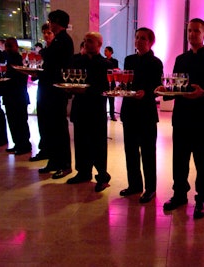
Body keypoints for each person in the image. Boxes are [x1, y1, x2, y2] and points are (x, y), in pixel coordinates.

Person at [155, 18, 204, 219]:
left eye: (196, 31)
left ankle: (202, 198)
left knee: (201, 160)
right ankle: (179, 194)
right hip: (181, 116)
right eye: (189, 31)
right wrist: (165, 91)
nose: (192, 34)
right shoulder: (181, 59)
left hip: (201, 116)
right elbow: (177, 87)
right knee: (179, 158)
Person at [119, 28, 163, 203]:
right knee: (130, 151)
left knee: (148, 152)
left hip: (146, 112)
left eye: (143, 38)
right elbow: (126, 82)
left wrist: (146, 92)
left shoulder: (155, 62)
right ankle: (134, 185)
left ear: (150, 42)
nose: (138, 41)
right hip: (129, 110)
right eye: (137, 37)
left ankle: (150, 188)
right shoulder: (129, 59)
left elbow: (158, 86)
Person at [66, 32, 113, 193]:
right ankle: (83, 172)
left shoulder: (105, 64)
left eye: (90, 41)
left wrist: (85, 91)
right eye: (85, 41)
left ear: (99, 44)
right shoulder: (76, 60)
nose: (86, 43)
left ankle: (102, 175)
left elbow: (105, 88)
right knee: (80, 142)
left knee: (98, 144)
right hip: (79, 108)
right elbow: (69, 80)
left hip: (96, 109)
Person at [37, 9, 73, 179]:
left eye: (51, 20)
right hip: (49, 88)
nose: (49, 23)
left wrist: (44, 52)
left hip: (56, 90)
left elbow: (52, 60)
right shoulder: (58, 40)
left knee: (58, 128)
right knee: (50, 127)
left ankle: (64, 163)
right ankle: (54, 160)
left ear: (57, 22)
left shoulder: (63, 40)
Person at [29, 23, 55, 162]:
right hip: (43, 89)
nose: (46, 35)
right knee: (42, 120)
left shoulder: (52, 52)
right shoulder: (43, 52)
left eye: (49, 32)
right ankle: (44, 149)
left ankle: (49, 151)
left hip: (51, 90)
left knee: (50, 122)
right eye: (44, 32)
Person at [2, 37, 32, 155]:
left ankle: (24, 145)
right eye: (7, 46)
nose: (8, 48)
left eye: (10, 46)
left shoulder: (18, 60)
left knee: (20, 121)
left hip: (18, 96)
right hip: (10, 95)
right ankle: (17, 143)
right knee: (13, 121)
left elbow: (20, 78)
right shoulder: (7, 59)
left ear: (16, 46)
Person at [104, 46, 118, 121]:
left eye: (106, 51)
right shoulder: (103, 60)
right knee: (104, 99)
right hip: (105, 82)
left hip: (112, 81)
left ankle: (112, 114)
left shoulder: (115, 61)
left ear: (110, 52)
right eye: (104, 51)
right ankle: (104, 114)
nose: (104, 52)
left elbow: (115, 71)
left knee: (112, 100)